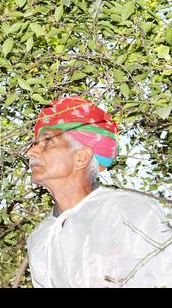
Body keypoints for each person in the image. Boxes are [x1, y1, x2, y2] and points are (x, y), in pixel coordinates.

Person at [25, 96, 171, 288]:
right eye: (35, 143)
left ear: (81, 158)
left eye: (48, 141)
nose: (31, 152)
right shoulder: (40, 238)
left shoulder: (132, 212)